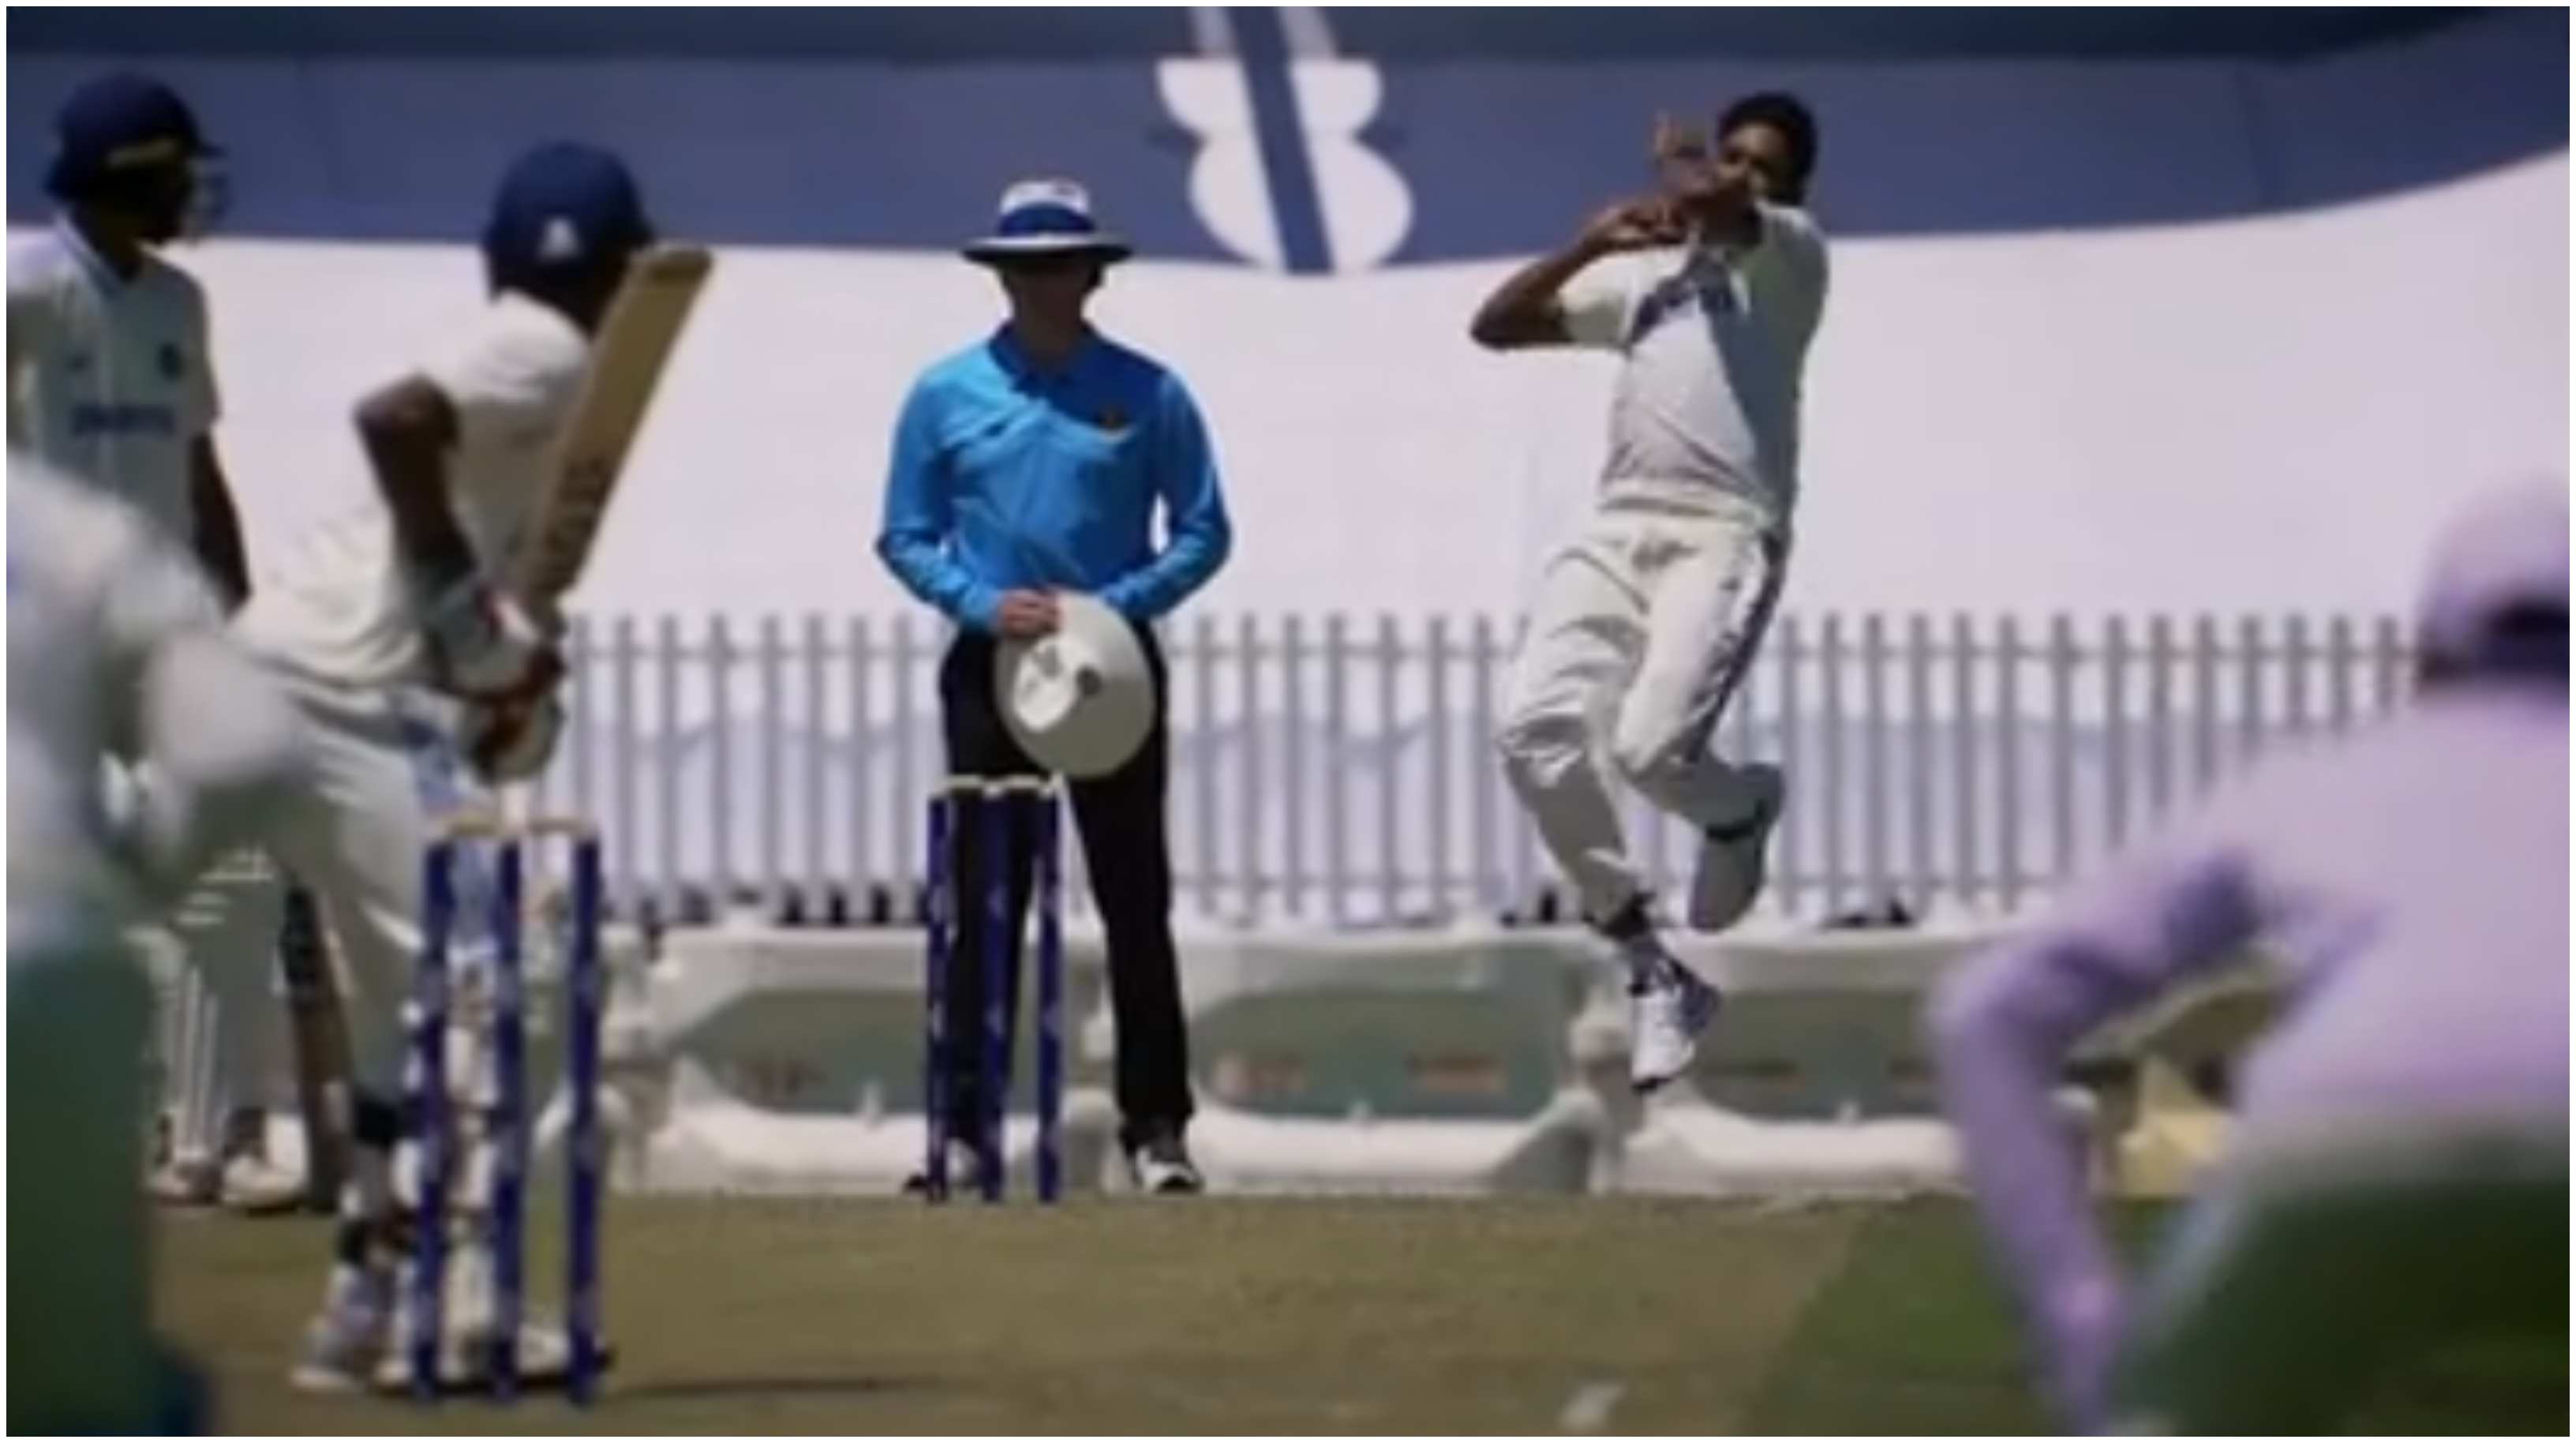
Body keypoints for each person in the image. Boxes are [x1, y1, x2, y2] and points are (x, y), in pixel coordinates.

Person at [1930, 484, 2570, 1433]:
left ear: (2427, 656)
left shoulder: (2323, 787)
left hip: (2346, 1136)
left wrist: (2088, 1327)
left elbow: (1987, 1011)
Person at [223, 141, 655, 1391]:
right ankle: (462, 1311)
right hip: (350, 698)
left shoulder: (539, 375)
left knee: (391, 1028)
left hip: (283, 678)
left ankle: (365, 1311)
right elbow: (393, 419)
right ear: (617, 265)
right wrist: (467, 611)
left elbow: (478, 585)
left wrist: (503, 648)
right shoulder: (551, 344)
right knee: (491, 998)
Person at [878, 177, 1233, 1194]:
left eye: (1060, 265)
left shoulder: (1149, 390)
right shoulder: (946, 392)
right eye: (1024, 267)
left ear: (1092, 272)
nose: (1043, 284)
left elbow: (1204, 529)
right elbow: (905, 533)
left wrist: (1116, 604)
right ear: (1001, 275)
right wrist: (983, 604)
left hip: (1111, 665)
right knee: (982, 900)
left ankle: (1157, 1129)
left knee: (1134, 896)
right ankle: (960, 1129)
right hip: (994, 666)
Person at [1472, 95, 1829, 1090]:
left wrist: (1682, 163)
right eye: (1733, 159)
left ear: (1791, 189)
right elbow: (1496, 326)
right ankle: (1652, 967)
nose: (1742, 177)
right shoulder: (1648, 281)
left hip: (1724, 530)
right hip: (1619, 523)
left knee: (1647, 751)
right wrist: (1584, 247)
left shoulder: (1791, 258)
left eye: (1764, 167)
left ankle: (1739, 809)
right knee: (1531, 735)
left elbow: (1729, 207)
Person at [5, 70, 300, 1212]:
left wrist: (239, 605)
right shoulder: (22, 291)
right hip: (42, 638)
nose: (193, 190)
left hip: (162, 628)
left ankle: (201, 1146)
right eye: (176, 170)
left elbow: (197, 465)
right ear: (128, 179)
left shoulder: (178, 303)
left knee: (232, 871)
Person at [8, 454, 306, 1433]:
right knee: (80, 1403)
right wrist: (134, 882)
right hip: (45, 958)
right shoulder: (73, 528)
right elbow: (243, 747)